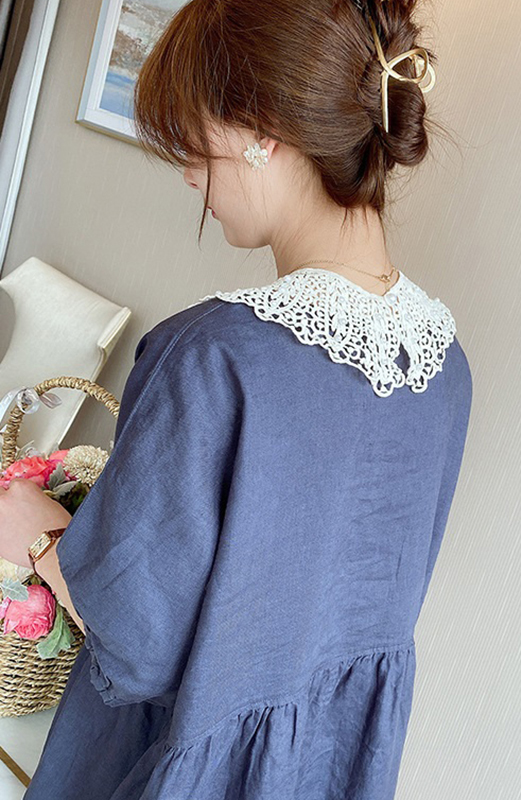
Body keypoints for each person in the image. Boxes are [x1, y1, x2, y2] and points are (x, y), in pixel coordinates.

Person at [1, 0, 472, 797]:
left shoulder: (211, 358)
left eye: (193, 140)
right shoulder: (443, 366)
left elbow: (138, 643)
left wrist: (40, 533)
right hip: (327, 772)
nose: (189, 172)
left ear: (262, 129)